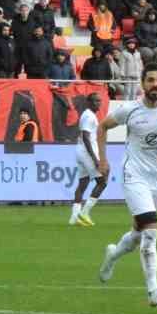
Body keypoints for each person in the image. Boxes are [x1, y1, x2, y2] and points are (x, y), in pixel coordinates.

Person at [95, 68, 157, 307]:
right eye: (151, 80)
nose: (155, 85)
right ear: (142, 83)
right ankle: (154, 291)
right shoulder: (130, 109)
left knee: (139, 234)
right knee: (151, 231)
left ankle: (113, 255)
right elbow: (102, 127)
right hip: (134, 175)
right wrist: (103, 160)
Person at [68, 93, 108, 227]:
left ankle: (74, 217)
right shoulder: (89, 116)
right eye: (96, 101)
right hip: (86, 152)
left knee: (82, 183)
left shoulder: (88, 114)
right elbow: (86, 137)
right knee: (102, 182)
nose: (99, 103)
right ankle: (84, 212)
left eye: (99, 101)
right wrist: (94, 158)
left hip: (80, 151)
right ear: (89, 102)